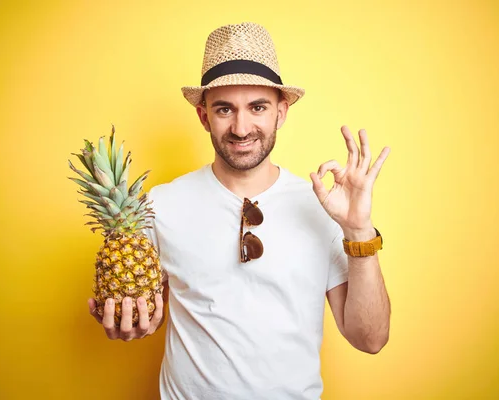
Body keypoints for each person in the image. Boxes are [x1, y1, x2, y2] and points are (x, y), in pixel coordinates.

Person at [88, 22, 391, 400]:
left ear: (281, 113)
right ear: (203, 117)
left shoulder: (324, 207)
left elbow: (371, 338)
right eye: (224, 109)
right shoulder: (160, 205)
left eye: (258, 107)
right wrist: (130, 321)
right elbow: (148, 311)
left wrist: (359, 230)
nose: (241, 127)